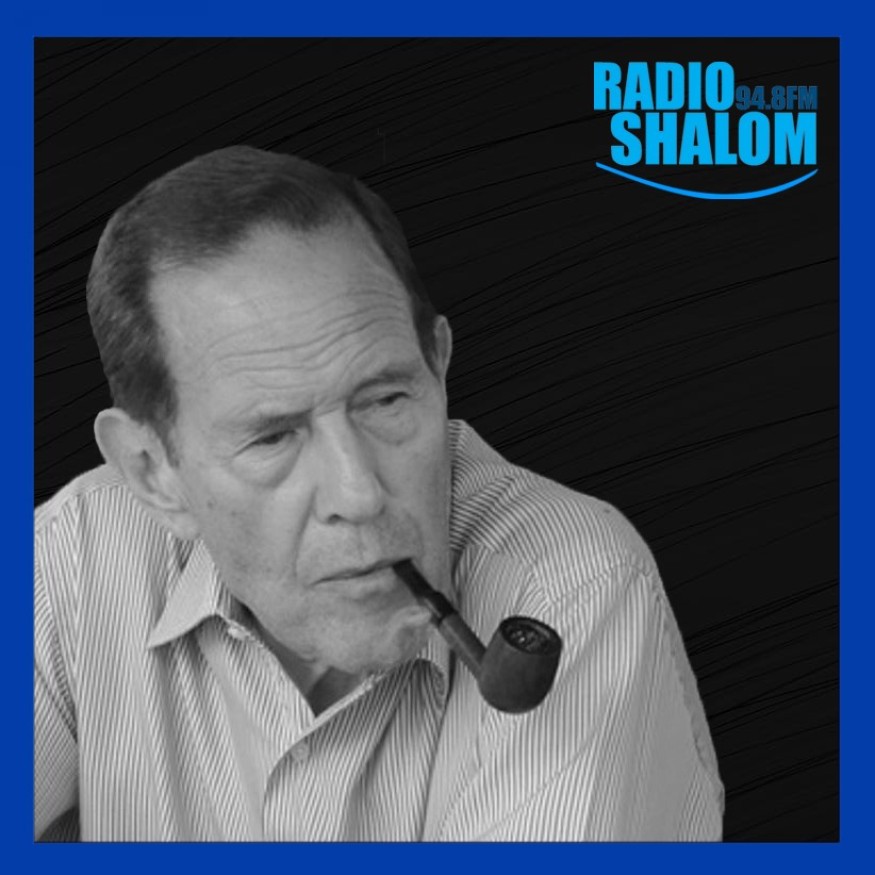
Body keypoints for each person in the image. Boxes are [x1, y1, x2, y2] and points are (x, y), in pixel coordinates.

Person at [34, 145, 724, 841]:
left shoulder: (570, 584)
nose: (359, 493)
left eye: (387, 400)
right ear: (153, 471)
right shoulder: (70, 559)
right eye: (273, 438)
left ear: (438, 366)